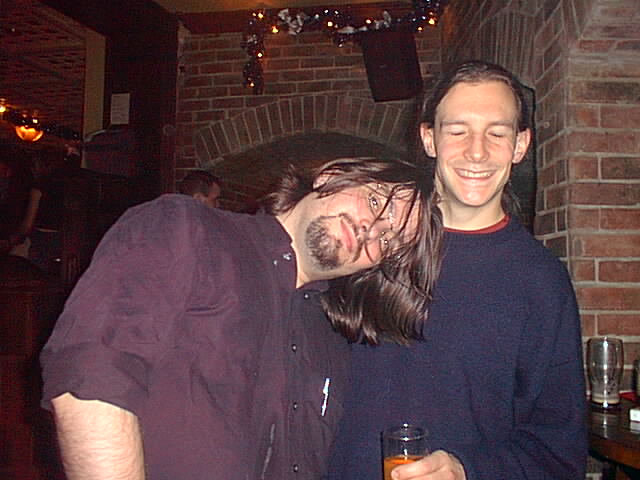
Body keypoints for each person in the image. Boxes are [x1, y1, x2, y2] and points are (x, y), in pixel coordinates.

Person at [40, 156, 443, 480]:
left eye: (389, 240)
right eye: (375, 202)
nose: (372, 228)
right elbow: (90, 379)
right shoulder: (187, 229)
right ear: (332, 175)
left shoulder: (332, 339)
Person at [328, 61, 587, 480]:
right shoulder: (369, 244)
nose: (477, 152)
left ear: (521, 145)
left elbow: (559, 450)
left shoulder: (542, 282)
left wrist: (469, 470)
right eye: (458, 131)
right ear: (429, 138)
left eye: (496, 133)